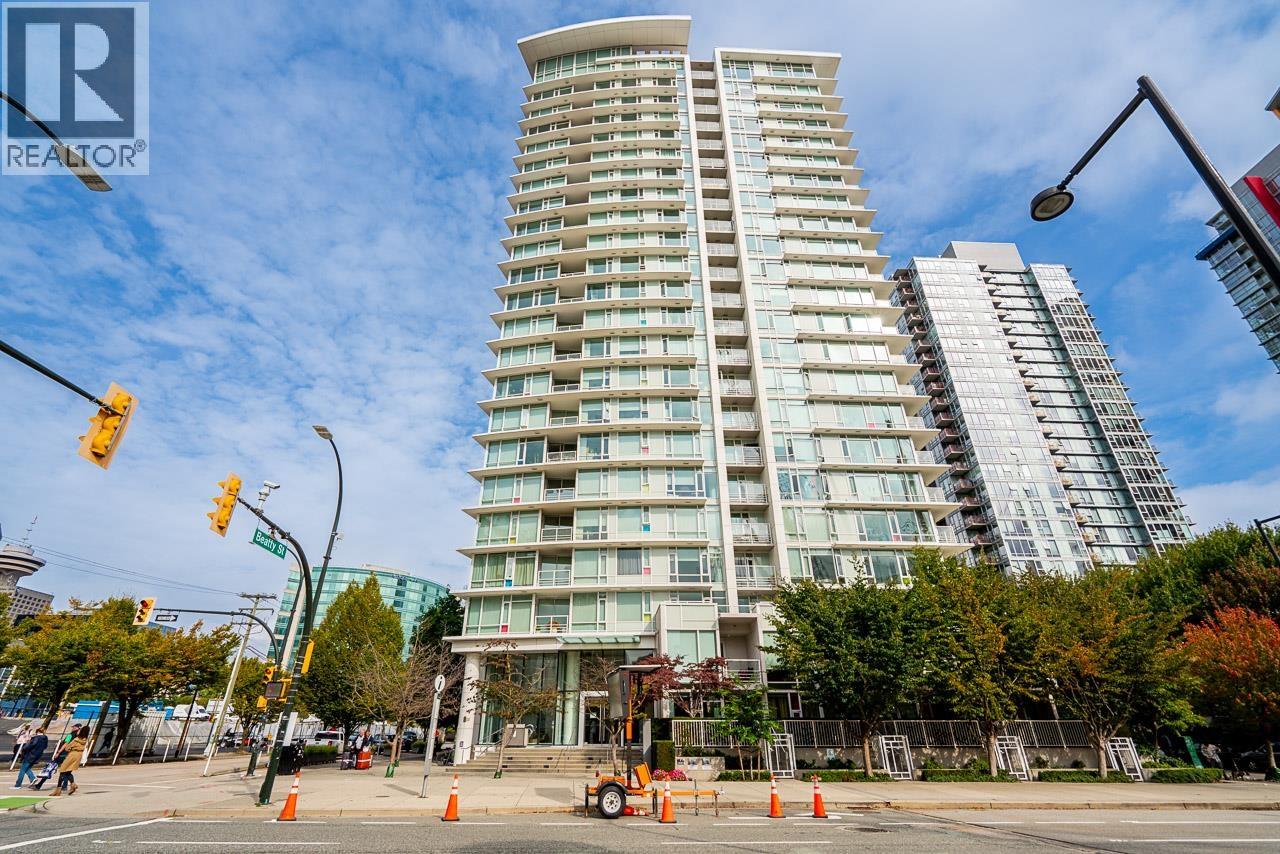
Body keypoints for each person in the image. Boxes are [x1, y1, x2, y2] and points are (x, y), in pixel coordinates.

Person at [52, 726, 89, 796]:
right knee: (68, 771)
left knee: (62, 770)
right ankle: (73, 785)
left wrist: (67, 750)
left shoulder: (76, 739)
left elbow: (67, 748)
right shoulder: (85, 740)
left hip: (72, 754)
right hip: (79, 755)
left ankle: (58, 790)